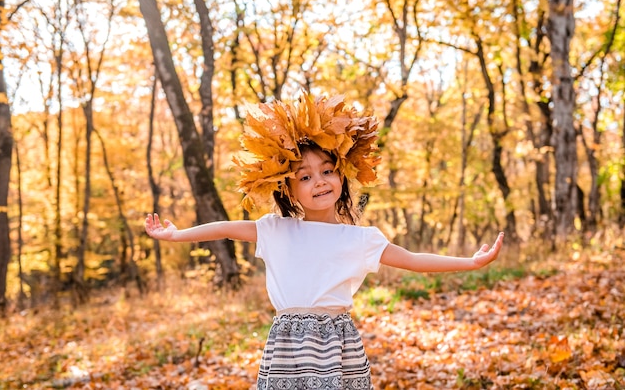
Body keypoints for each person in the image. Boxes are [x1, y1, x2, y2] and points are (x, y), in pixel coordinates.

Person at [144, 93, 504, 390]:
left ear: (341, 177)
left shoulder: (358, 239)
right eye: (306, 176)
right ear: (289, 188)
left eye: (328, 171)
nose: (319, 181)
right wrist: (176, 235)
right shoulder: (276, 230)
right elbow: (223, 227)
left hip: (336, 343)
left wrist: (469, 262)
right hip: (287, 345)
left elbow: (413, 259)